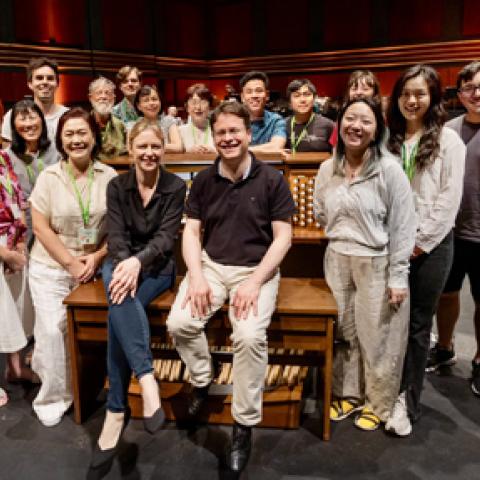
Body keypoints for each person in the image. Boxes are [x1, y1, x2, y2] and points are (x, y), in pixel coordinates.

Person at [167, 101, 295, 473]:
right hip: (211, 267)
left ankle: (243, 425)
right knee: (180, 323)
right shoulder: (204, 180)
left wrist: (255, 281)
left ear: (248, 133)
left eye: (234, 131)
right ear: (214, 136)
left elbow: (283, 238)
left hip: (256, 271)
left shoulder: (272, 179)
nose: (227, 138)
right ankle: (203, 379)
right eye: (220, 132)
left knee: (250, 336)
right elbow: (191, 232)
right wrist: (196, 275)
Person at [89, 119, 186, 474]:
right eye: (141, 147)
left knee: (117, 310)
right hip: (119, 261)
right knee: (120, 299)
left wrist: (136, 262)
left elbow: (166, 237)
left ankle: (116, 411)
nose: (148, 153)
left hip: (157, 267)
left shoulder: (175, 186)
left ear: (163, 150)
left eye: (155, 147)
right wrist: (125, 262)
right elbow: (115, 235)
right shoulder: (117, 185)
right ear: (130, 150)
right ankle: (146, 381)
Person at [314, 97, 416, 433]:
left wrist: (398, 275)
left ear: (377, 130)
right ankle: (348, 393)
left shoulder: (389, 170)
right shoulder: (327, 168)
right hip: (336, 258)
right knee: (344, 332)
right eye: (350, 119)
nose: (356, 126)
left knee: (379, 336)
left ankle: (378, 402)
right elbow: (319, 211)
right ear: (339, 123)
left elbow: (403, 226)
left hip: (376, 261)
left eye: (366, 121)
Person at [386, 64, 466, 435]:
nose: (411, 100)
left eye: (419, 93)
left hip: (431, 246)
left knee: (418, 326)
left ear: (432, 96)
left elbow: (449, 200)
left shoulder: (449, 140)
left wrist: (417, 243)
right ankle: (384, 391)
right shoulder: (389, 137)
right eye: (405, 93)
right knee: (388, 324)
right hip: (390, 243)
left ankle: (408, 401)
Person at [28, 107, 117, 427]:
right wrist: (69, 262)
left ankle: (90, 384)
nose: (76, 140)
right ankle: (54, 395)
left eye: (82, 133)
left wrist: (96, 257)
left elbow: (118, 230)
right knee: (53, 331)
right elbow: (40, 228)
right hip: (51, 266)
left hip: (93, 266)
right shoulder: (49, 177)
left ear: (94, 137)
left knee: (90, 329)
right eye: (69, 134)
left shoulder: (109, 176)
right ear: (60, 140)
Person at [428, 61, 480, 397]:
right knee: (445, 295)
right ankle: (445, 347)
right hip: (449, 230)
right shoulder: (448, 130)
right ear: (459, 94)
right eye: (469, 88)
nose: (477, 94)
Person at [0, 150, 34, 406]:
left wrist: (19, 243)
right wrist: (5, 254)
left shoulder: (3, 156)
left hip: (11, 240)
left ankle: (15, 368)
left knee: (16, 307)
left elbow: (18, 198)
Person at [7, 99, 59, 245]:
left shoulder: (58, 151)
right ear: (14, 126)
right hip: (21, 226)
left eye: (32, 117)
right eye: (22, 119)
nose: (29, 124)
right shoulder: (5, 158)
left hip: (53, 222)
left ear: (42, 121)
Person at [2, 57, 68, 150]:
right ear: (30, 84)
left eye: (50, 78)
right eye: (39, 78)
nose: (45, 82)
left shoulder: (68, 116)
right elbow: (7, 159)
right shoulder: (12, 116)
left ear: (57, 83)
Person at [329, 70, 381, 147]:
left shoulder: (382, 117)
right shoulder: (343, 117)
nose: (359, 92)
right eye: (354, 89)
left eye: (365, 89)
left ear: (374, 93)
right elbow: (336, 145)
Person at [240, 71, 286, 151]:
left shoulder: (276, 120)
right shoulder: (234, 120)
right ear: (242, 97)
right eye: (249, 92)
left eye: (259, 91)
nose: (254, 95)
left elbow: (276, 146)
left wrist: (242, 151)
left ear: (267, 95)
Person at [128, 85, 183, 153]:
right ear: (139, 106)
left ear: (160, 102)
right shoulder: (132, 125)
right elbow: (130, 150)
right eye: (146, 100)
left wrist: (144, 146)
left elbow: (178, 147)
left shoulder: (169, 121)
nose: (151, 103)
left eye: (154, 99)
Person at [285, 79, 334, 153]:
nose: (302, 100)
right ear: (289, 102)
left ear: (314, 99)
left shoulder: (329, 125)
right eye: (296, 96)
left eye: (307, 94)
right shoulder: (281, 125)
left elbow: (339, 155)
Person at [88, 77, 127, 161]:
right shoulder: (84, 123)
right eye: (99, 93)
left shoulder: (120, 125)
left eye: (108, 93)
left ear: (113, 98)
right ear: (91, 98)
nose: (103, 96)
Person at [179, 83, 216, 153]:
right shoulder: (180, 132)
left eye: (203, 102)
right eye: (194, 102)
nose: (198, 107)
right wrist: (187, 153)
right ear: (187, 107)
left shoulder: (217, 129)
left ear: (210, 107)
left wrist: (214, 152)